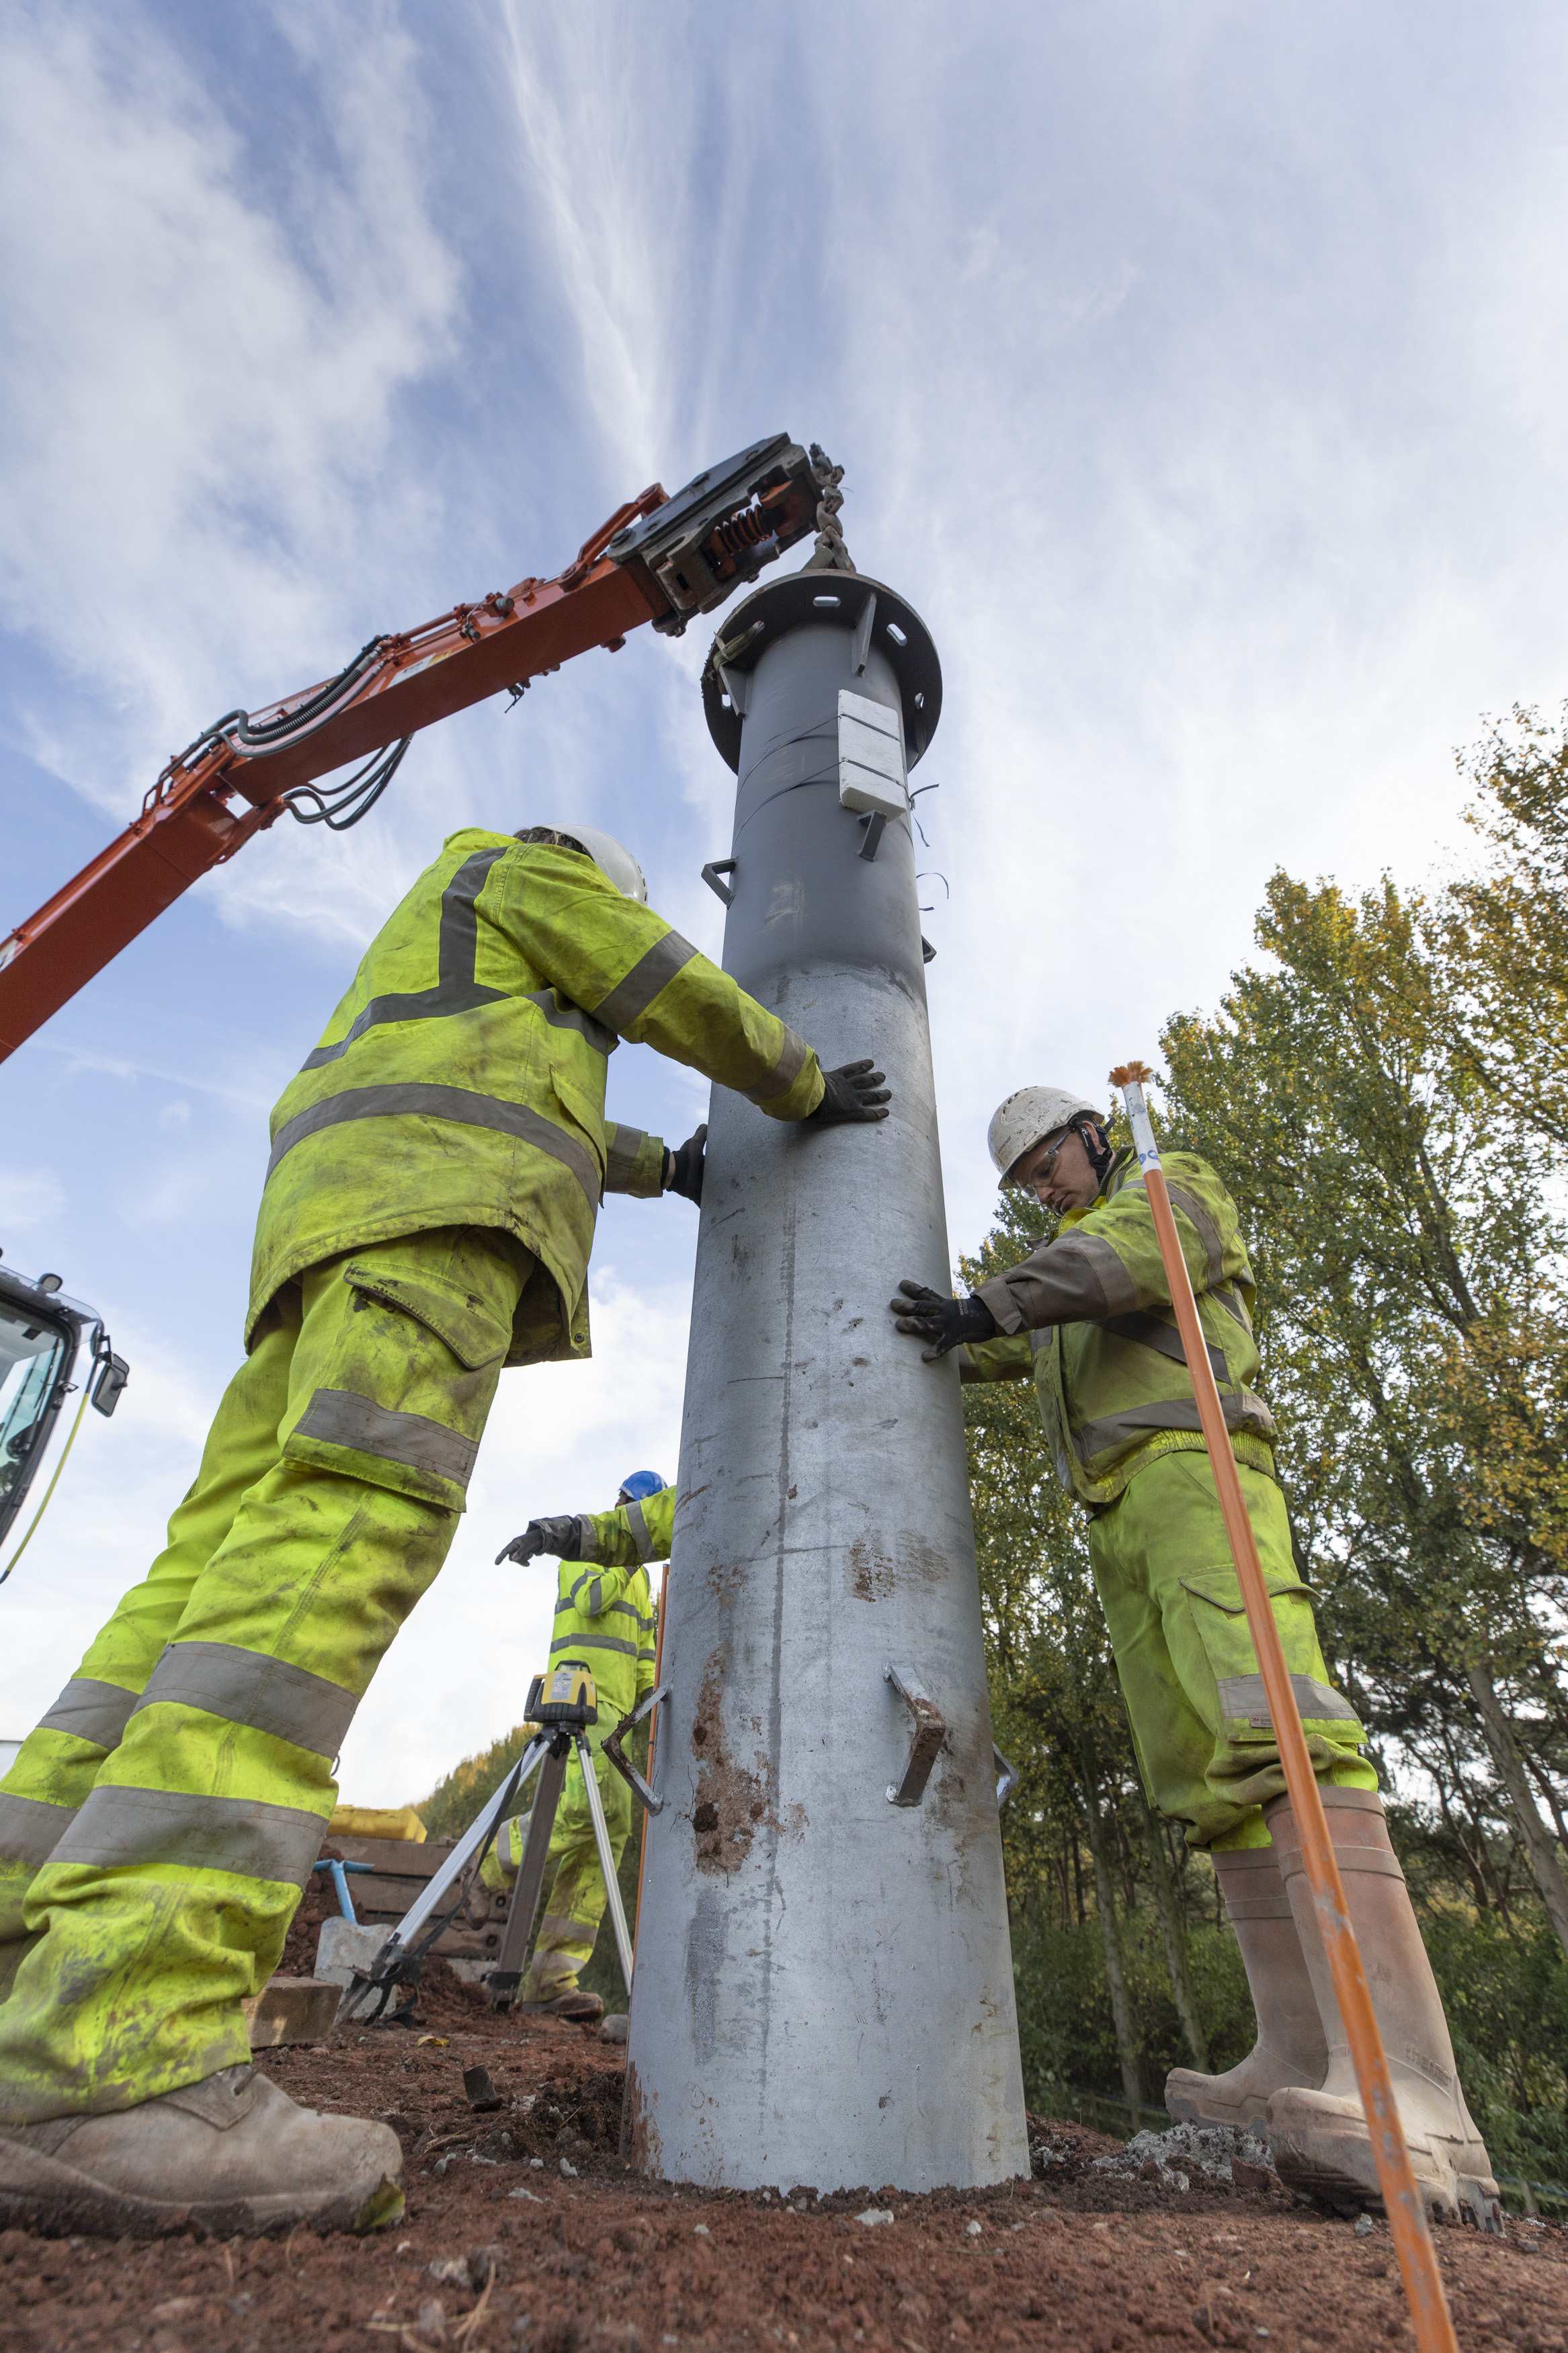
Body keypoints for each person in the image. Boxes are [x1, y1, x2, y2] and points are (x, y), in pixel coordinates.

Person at [0, 822, 889, 2235]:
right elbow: (657, 980)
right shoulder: (539, 879)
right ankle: (116, 2048)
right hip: (433, 1230)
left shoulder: (450, 947)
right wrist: (791, 1083)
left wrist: (667, 1173)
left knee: (195, 1592)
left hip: (328, 1238)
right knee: (319, 1577)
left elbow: (556, 1105)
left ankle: (19, 1978)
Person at [888, 1084, 1498, 2225]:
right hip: (1123, 1519)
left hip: (1198, 1477)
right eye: (1022, 1181)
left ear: (1092, 1133)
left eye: (1045, 1164)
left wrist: (987, 1304)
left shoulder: (1167, 1190)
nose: (1041, 1188)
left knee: (1277, 1730)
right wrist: (921, 1330)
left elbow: (1120, 1262)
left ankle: (1412, 2089)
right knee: (1202, 1773)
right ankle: (1297, 2053)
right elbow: (1020, 1345)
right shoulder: (1064, 1261)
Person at [481, 1468, 674, 2020]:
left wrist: (645, 1707)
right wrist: (630, 1557)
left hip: (615, 1719)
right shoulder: (589, 1552)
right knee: (576, 1813)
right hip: (576, 1693)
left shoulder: (641, 1582)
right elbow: (591, 1600)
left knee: (608, 1835)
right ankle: (492, 1863)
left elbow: (643, 1651)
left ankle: (552, 1978)